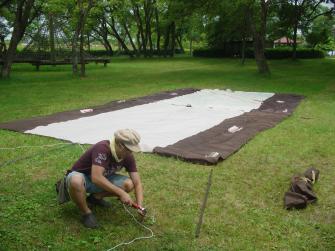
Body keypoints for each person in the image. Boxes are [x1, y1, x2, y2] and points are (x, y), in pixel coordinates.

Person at [66, 128, 144, 228]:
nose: (131, 153)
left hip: (102, 179)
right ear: (120, 145)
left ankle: (95, 198)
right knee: (75, 181)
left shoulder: (127, 156)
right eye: (130, 150)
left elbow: (137, 182)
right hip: (84, 178)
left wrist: (139, 206)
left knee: (129, 184)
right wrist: (121, 193)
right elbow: (96, 178)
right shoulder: (102, 148)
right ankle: (86, 213)